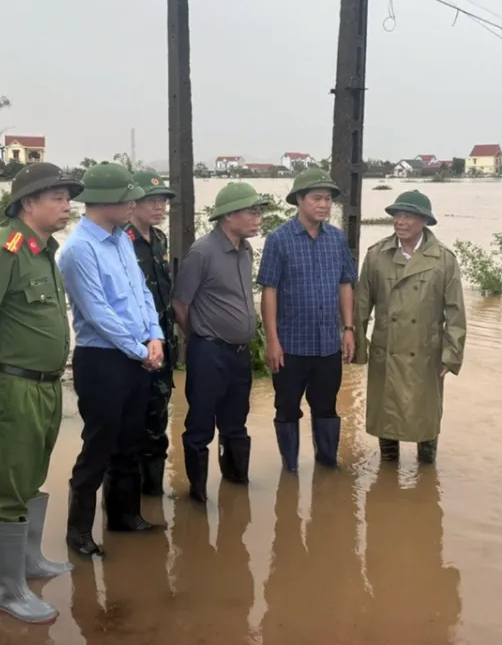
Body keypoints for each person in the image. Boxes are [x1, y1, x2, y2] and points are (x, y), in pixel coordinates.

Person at [0, 163, 82, 624]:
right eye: (57, 198)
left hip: (44, 387)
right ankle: (7, 589)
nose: (68, 206)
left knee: (30, 475)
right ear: (28, 203)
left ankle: (29, 563)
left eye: (68, 197)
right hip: (12, 386)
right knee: (8, 487)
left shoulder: (43, 251)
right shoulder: (4, 251)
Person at [58, 162, 165, 557]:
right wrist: (142, 351)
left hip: (138, 357)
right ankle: (79, 532)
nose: (135, 203)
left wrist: (155, 337)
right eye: (129, 198)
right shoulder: (78, 250)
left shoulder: (122, 238)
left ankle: (125, 516)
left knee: (131, 441)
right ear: (106, 202)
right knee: (99, 445)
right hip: (102, 361)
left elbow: (142, 294)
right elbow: (99, 314)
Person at [353, 190, 466, 464]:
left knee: (425, 416)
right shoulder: (377, 254)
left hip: (426, 353)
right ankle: (387, 473)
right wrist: (358, 348)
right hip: (387, 349)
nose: (400, 222)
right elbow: (361, 306)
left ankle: (426, 479)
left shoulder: (444, 259)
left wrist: (451, 355)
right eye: (397, 216)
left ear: (424, 221)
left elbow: (455, 312)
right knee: (386, 415)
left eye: (408, 216)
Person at [257, 167, 357, 472]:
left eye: (328, 199)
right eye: (317, 198)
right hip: (290, 344)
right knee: (286, 409)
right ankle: (290, 468)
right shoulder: (279, 240)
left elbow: (345, 283)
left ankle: (327, 465)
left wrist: (349, 329)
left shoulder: (336, 239)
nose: (324, 205)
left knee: (326, 408)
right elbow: (269, 290)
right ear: (299, 200)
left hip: (328, 343)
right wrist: (272, 340)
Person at [172, 181, 266, 502]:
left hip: (239, 354)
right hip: (209, 352)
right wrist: (198, 337)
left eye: (259, 212)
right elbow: (180, 303)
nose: (258, 219)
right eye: (251, 212)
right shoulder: (201, 253)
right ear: (228, 216)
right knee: (200, 424)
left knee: (236, 422)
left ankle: (236, 484)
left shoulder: (245, 250)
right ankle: (197, 494)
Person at [126, 170, 178, 497]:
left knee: (157, 425)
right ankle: (125, 501)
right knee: (129, 428)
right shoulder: (121, 242)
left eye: (163, 200)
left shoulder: (159, 240)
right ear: (132, 203)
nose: (159, 206)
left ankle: (153, 495)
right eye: (151, 200)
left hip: (164, 350)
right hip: (133, 352)